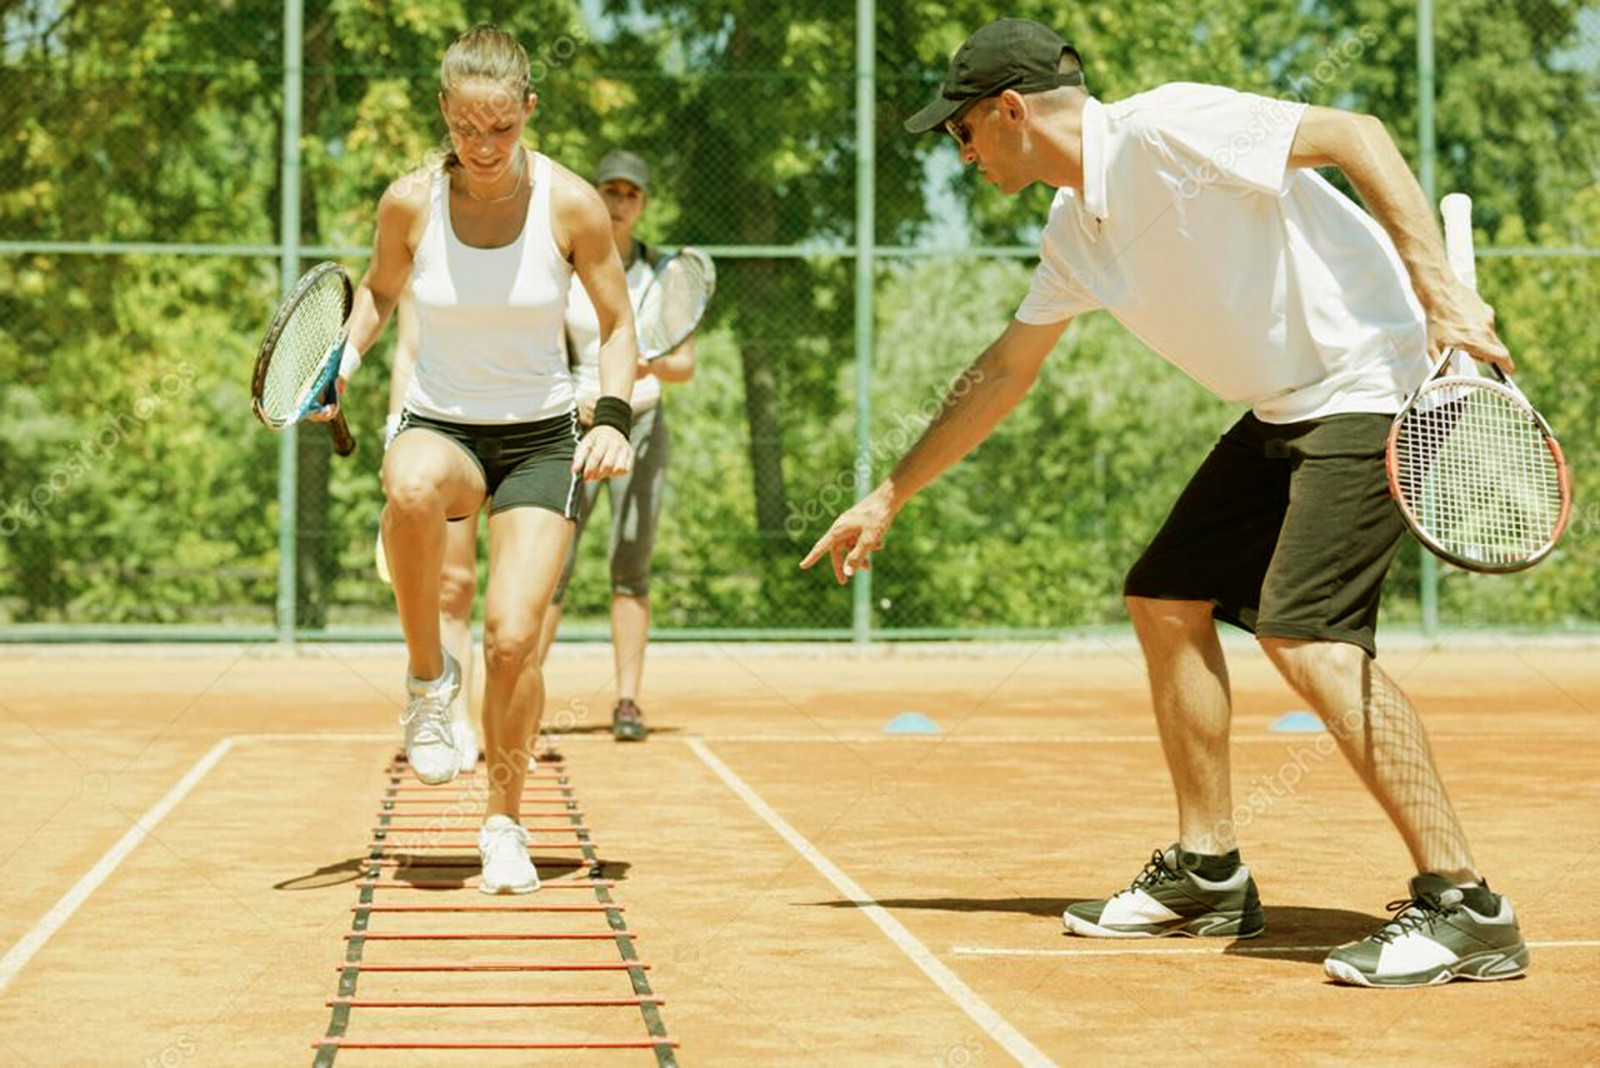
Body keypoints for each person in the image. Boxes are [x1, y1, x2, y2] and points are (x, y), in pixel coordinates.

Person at [800, 18, 1528, 988]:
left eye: (961, 130)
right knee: (1166, 594)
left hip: (1380, 382)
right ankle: (1209, 871)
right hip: (1290, 407)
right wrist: (891, 491)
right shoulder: (1076, 231)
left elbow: (1357, 135)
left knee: (1306, 632)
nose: (959, 150)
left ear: (1010, 112)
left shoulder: (1166, 130)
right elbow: (1005, 372)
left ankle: (1466, 906)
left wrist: (1440, 294)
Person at [316, 23, 637, 894]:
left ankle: (504, 823)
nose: (485, 146)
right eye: (466, 128)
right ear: (445, 115)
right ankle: (427, 680)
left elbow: (616, 326)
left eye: (501, 126)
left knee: (510, 642)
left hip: (541, 439)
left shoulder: (571, 205)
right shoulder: (410, 201)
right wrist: (340, 364)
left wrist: (611, 417)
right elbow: (378, 295)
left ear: (529, 109)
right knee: (410, 483)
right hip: (443, 425)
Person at [537, 150, 698, 743]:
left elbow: (683, 364)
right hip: (569, 425)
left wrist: (641, 363)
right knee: (550, 565)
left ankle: (627, 702)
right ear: (595, 196)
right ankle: (524, 695)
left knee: (631, 567)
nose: (619, 201)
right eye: (610, 189)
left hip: (642, 424)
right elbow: (542, 348)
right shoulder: (565, 263)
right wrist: (574, 405)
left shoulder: (664, 274)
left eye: (631, 192)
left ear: (644, 202)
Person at [379, 292, 479, 777]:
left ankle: (509, 716)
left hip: (530, 430)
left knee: (514, 604)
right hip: (443, 432)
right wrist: (394, 431)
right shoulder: (420, 255)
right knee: (453, 584)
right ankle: (450, 713)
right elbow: (408, 350)